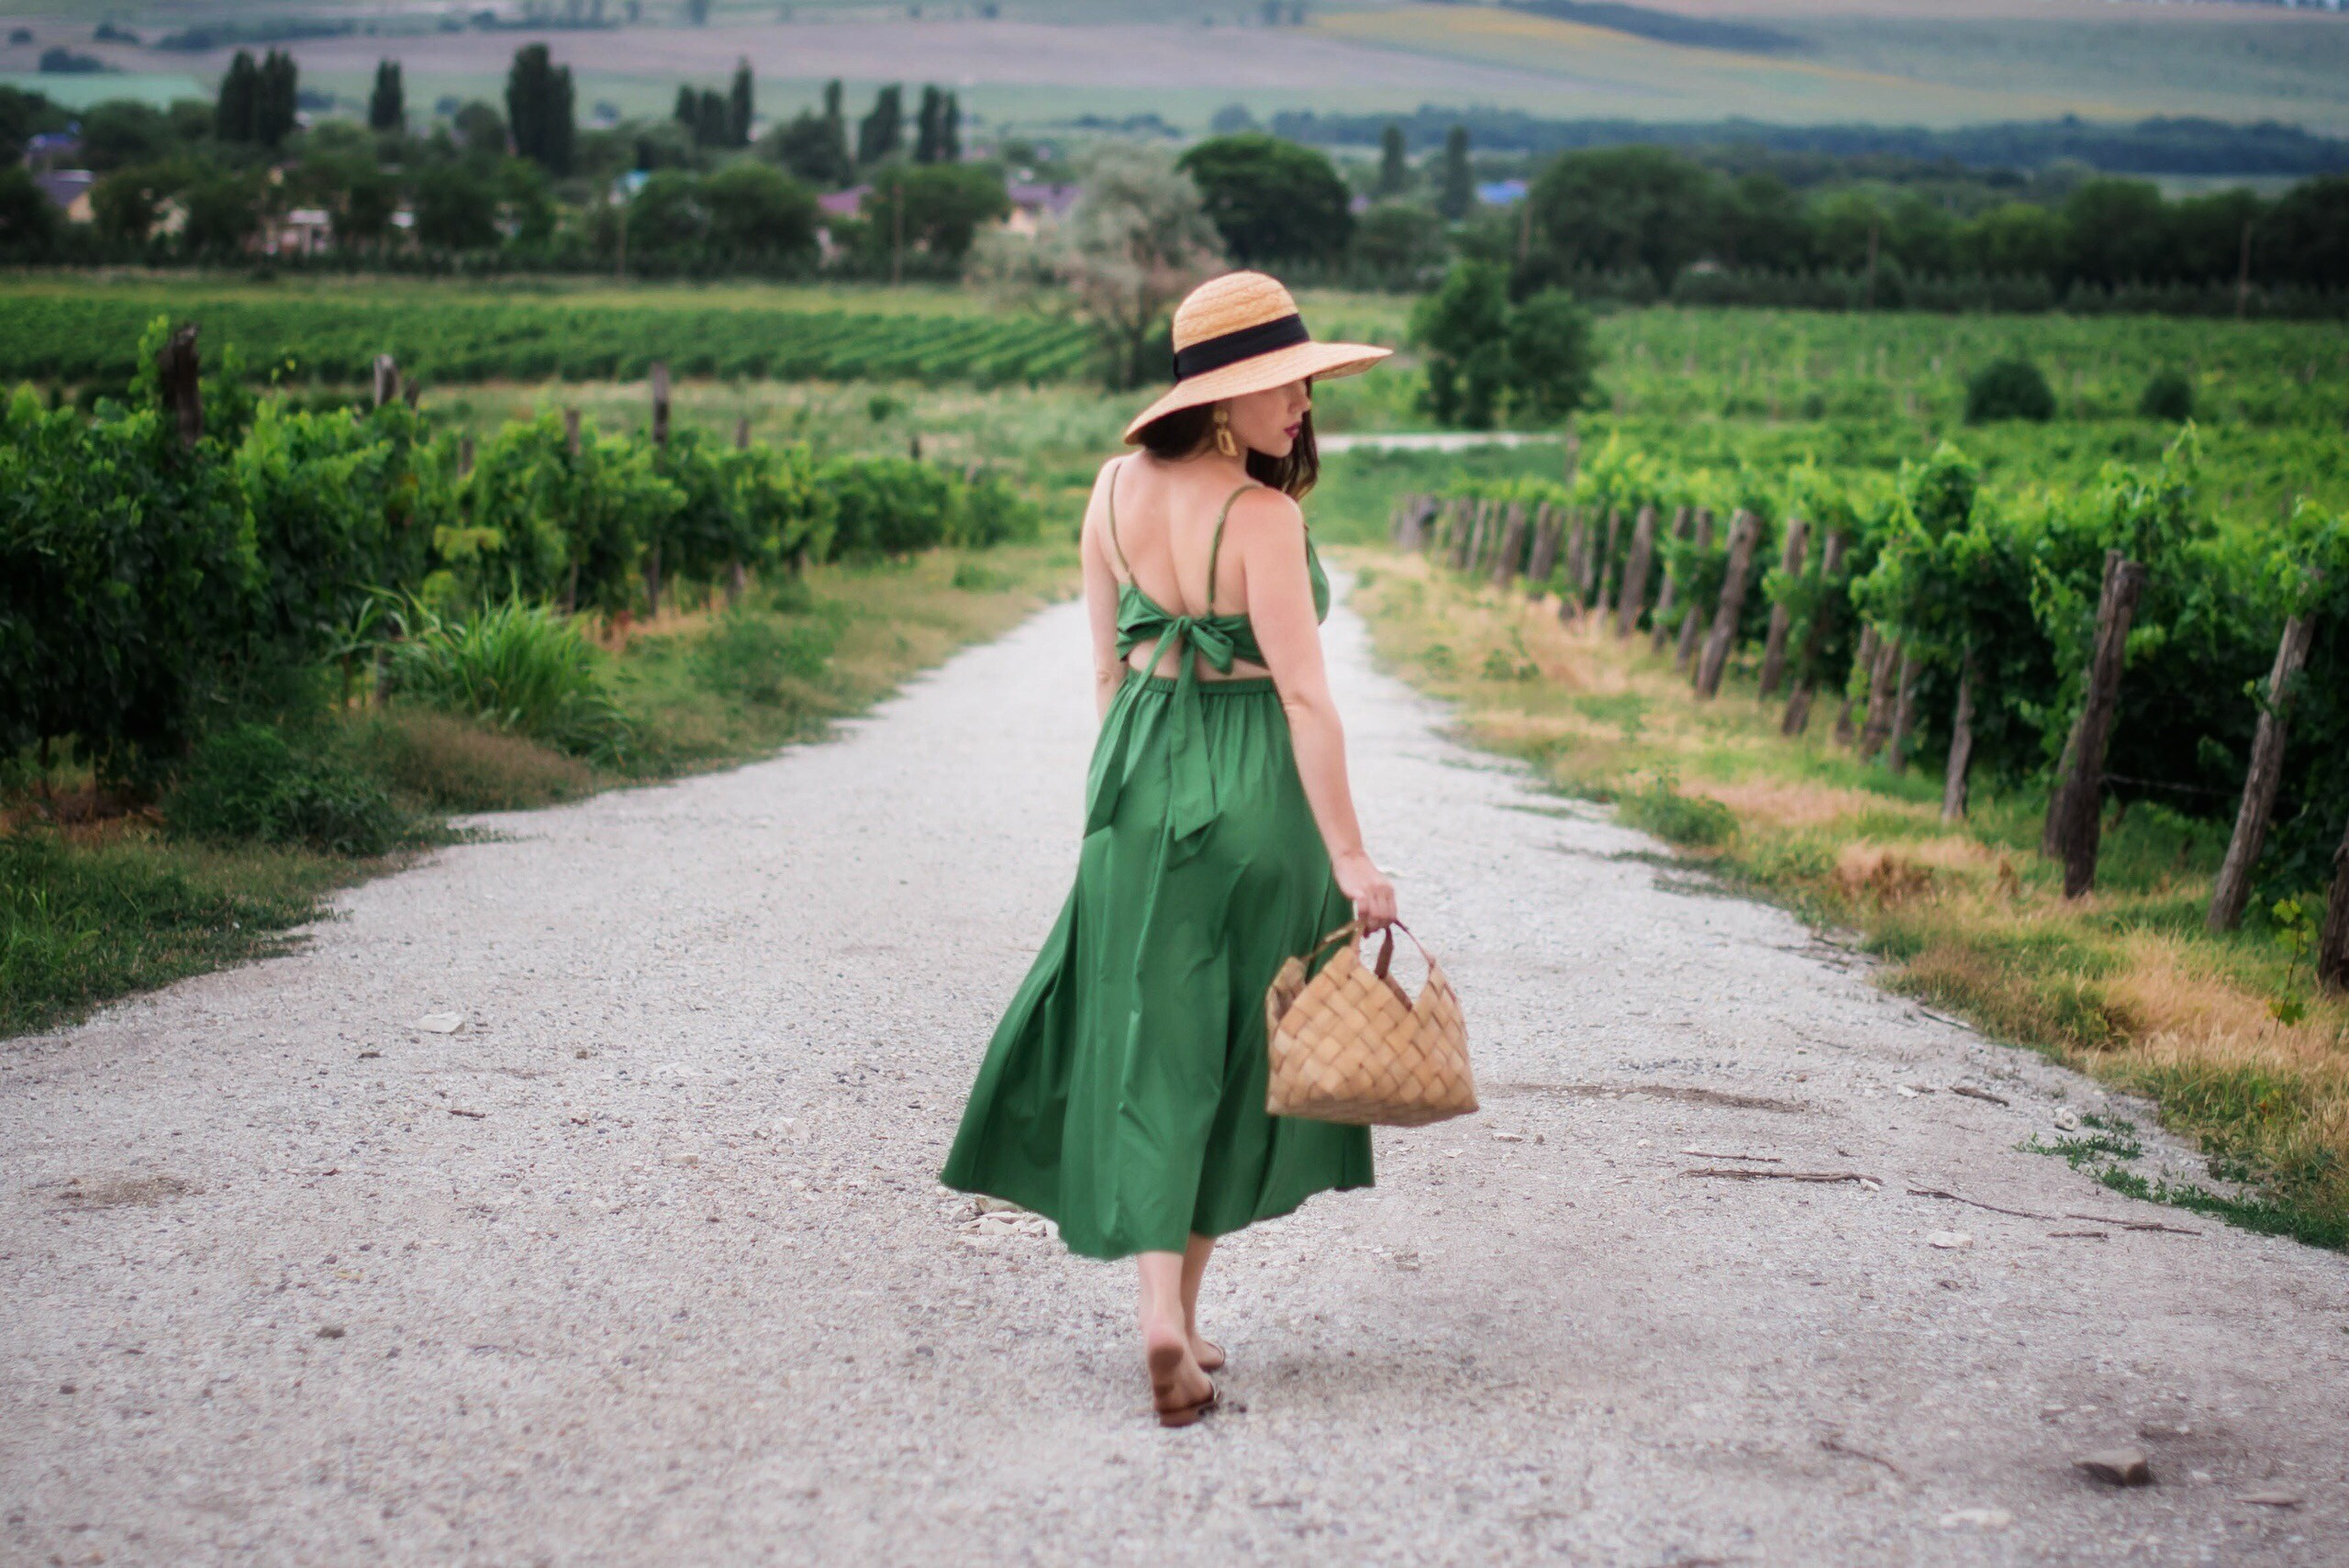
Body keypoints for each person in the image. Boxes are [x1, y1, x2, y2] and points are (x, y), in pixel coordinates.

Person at [941, 271, 1399, 1426]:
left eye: (1302, 381)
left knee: (1152, 1042)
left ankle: (1170, 1320)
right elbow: (1304, 699)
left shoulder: (1105, 492)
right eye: (1281, 383)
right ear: (1223, 395)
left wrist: (1132, 794)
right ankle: (1178, 1320)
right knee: (1238, 1051)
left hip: (1135, 784)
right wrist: (1353, 860)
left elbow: (1104, 674)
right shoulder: (1263, 517)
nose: (1300, 402)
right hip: (1251, 794)